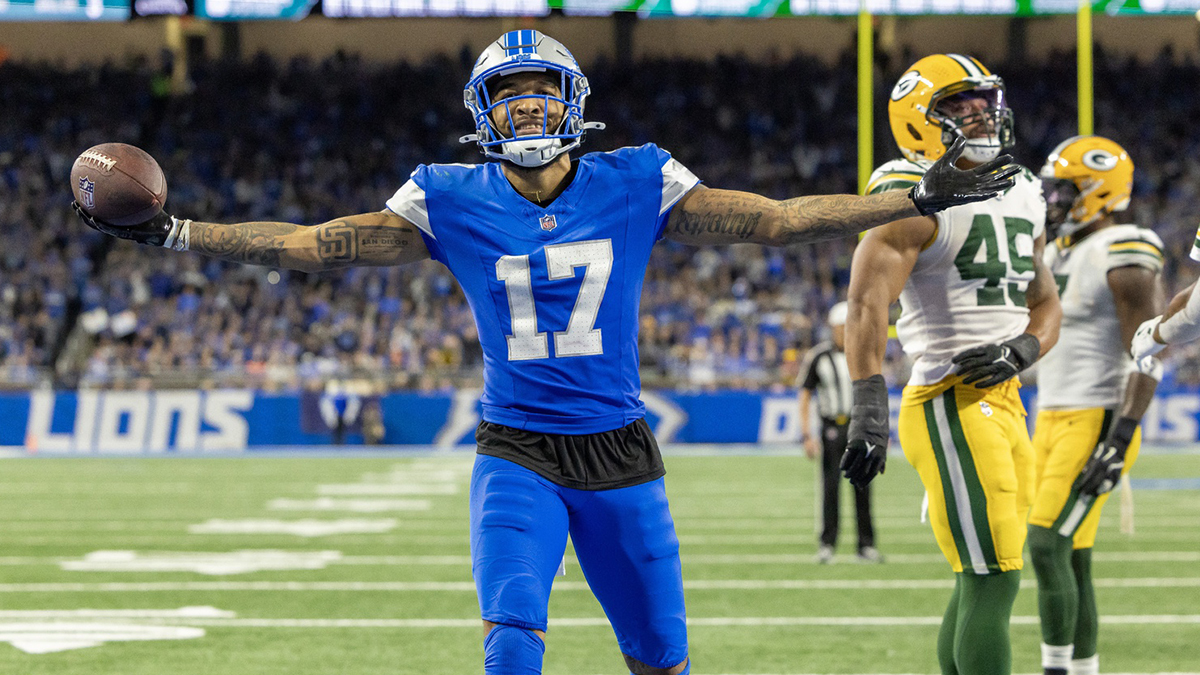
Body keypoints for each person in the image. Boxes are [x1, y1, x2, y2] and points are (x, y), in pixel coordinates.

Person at [72, 32, 1018, 675]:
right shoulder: (446, 196)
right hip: (515, 446)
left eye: (541, 92)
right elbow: (314, 244)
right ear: (483, 110)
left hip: (619, 450)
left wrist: (914, 198)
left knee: (661, 657)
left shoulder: (637, 178)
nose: (527, 108)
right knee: (512, 638)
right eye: (509, 96)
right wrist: (178, 232)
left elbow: (776, 220)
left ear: (572, 103)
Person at [840, 54, 1061, 675]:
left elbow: (1045, 302)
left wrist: (1023, 349)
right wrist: (868, 407)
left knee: (980, 577)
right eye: (960, 104)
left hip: (1007, 400)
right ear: (919, 121)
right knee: (996, 575)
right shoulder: (909, 190)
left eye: (985, 100)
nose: (982, 113)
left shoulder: (1023, 187)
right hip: (948, 399)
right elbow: (866, 303)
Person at [1030, 135, 1164, 675]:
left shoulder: (1124, 245)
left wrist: (1122, 434)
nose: (1053, 200)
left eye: (1064, 191)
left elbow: (1147, 351)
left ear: (1098, 192)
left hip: (1098, 416)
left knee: (1045, 543)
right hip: (1049, 415)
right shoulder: (1056, 251)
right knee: (1073, 556)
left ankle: (1055, 669)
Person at [798, 301, 879, 564]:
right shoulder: (819, 356)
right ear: (832, 328)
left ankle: (866, 545)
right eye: (840, 327)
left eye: (848, 326)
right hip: (832, 427)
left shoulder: (863, 353)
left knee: (862, 485)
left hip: (859, 428)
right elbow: (805, 394)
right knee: (830, 486)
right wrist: (807, 434)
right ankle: (827, 544)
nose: (844, 331)